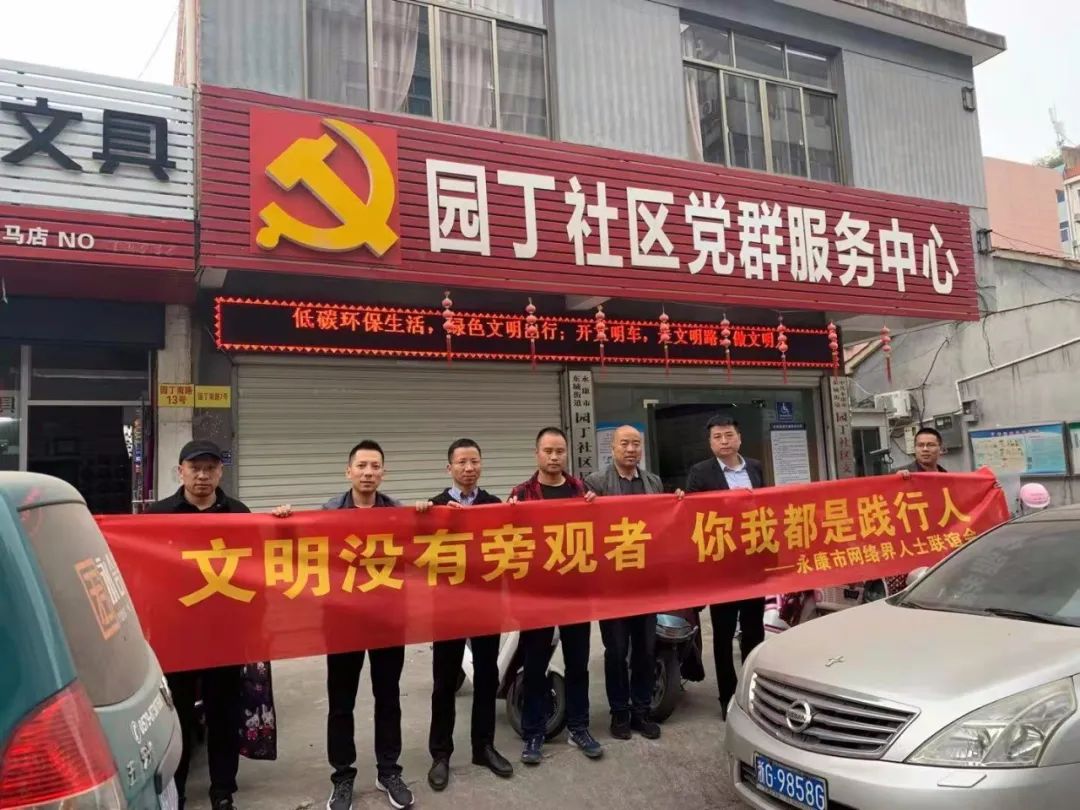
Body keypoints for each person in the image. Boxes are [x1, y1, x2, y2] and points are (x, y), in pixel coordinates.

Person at [273, 441, 413, 810]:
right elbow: (299, 550)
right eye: (361, 466)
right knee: (341, 702)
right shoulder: (327, 514)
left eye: (375, 466)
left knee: (388, 697)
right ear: (348, 471)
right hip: (342, 621)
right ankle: (342, 776)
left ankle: (389, 771)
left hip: (387, 620)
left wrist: (429, 514)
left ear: (383, 473)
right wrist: (284, 523)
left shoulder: (398, 513)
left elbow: (424, 550)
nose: (368, 473)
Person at [147, 440, 248, 810]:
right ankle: (176, 791)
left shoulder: (239, 513)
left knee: (224, 713)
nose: (202, 476)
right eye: (195, 468)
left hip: (225, 634)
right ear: (181, 472)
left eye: (210, 468)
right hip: (176, 634)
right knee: (178, 715)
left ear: (220, 472)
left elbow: (258, 567)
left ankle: (222, 790)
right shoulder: (157, 516)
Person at [415, 439, 514, 791]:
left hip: (486, 604)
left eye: (474, 461)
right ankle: (440, 754)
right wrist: (424, 517)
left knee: (487, 677)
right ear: (449, 468)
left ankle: (483, 747)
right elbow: (418, 555)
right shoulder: (434, 507)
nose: (469, 468)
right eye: (461, 462)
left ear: (481, 465)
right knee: (444, 682)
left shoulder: (494, 505)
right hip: (447, 607)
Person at [509, 427, 601, 765]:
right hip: (538, 596)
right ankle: (533, 733)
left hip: (575, 593)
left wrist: (596, 509)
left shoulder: (581, 491)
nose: (554, 457)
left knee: (578, 664)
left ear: (566, 454)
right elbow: (508, 541)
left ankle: (579, 727)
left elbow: (599, 535)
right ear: (536, 453)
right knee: (535, 666)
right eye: (547, 451)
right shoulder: (521, 494)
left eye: (559, 451)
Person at [684, 416, 768, 721]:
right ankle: (727, 697)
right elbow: (690, 513)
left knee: (754, 631)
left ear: (739, 438)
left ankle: (753, 692)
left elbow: (768, 506)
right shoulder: (701, 472)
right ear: (710, 443)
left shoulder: (755, 468)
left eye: (728, 435)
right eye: (717, 437)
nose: (724, 441)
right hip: (721, 567)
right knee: (722, 634)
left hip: (753, 563)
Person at [583, 426, 663, 741]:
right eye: (624, 444)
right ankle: (619, 713)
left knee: (645, 650)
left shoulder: (653, 482)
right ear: (613, 448)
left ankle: (641, 711)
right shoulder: (597, 483)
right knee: (616, 651)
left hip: (646, 583)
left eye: (636, 444)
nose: (631, 449)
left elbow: (665, 522)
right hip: (613, 585)